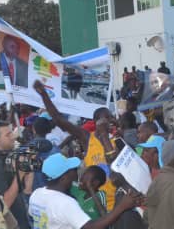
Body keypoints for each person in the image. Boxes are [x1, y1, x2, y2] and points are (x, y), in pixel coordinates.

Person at [33, 81, 119, 212]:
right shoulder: (87, 138)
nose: (110, 120)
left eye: (111, 117)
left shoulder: (116, 140)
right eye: (106, 117)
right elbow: (59, 120)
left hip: (116, 203)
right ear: (96, 122)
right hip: (96, 203)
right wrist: (44, 94)